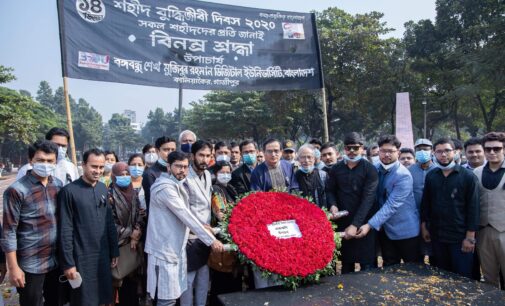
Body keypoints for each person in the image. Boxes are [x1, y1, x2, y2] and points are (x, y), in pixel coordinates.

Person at [145, 151, 223, 306]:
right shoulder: (165, 188)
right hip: (163, 251)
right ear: (168, 167)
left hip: (174, 249)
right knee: (166, 300)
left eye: (185, 167)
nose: (182, 170)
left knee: (172, 297)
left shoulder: (176, 185)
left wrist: (204, 228)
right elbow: (185, 215)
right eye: (178, 166)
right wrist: (211, 241)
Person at [1, 140, 62, 306]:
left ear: (56, 162)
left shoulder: (57, 184)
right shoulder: (16, 190)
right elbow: (8, 232)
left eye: (50, 161)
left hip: (55, 259)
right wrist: (13, 267)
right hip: (31, 262)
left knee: (55, 301)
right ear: (30, 161)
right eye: (40, 160)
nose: (45, 164)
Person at [58, 148, 120, 306]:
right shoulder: (69, 192)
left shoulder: (102, 188)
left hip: (103, 255)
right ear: (83, 165)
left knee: (104, 298)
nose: (98, 171)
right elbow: (65, 230)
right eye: (94, 166)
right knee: (83, 299)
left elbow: (109, 222)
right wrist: (68, 263)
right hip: (81, 257)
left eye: (101, 167)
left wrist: (114, 250)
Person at [356, 135, 420, 266]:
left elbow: (391, 206)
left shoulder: (403, 175)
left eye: (390, 151)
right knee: (389, 267)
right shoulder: (375, 168)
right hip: (385, 230)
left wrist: (369, 225)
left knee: (413, 268)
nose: (386, 154)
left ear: (398, 152)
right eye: (383, 150)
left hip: (406, 230)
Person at [421, 138, 479, 278]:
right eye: (439, 151)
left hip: (460, 238)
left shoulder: (468, 177)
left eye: (447, 150)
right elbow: (426, 204)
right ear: (433, 154)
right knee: (442, 276)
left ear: (455, 152)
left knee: (463, 277)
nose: (443, 154)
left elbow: (473, 208)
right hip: (438, 236)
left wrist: (470, 238)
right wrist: (424, 226)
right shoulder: (431, 176)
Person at [326, 132, 378, 273]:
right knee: (345, 266)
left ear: (362, 148)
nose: (352, 151)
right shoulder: (336, 169)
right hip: (343, 221)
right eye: (349, 148)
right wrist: (333, 204)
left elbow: (368, 199)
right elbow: (329, 190)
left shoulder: (370, 170)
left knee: (367, 268)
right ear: (344, 149)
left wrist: (355, 225)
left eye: (356, 148)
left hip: (363, 224)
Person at [181, 140, 214, 306]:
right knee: (188, 281)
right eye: (201, 155)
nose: (205, 159)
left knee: (203, 279)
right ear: (192, 156)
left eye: (208, 156)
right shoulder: (185, 177)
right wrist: (200, 227)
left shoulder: (208, 175)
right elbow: (184, 211)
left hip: (206, 236)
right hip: (190, 236)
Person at [109, 162, 145, 306]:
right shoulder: (109, 195)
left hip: (134, 245)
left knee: (132, 285)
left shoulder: (134, 192)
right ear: (113, 176)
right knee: (118, 282)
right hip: (119, 246)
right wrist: (130, 234)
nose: (124, 177)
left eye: (126, 174)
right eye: (120, 175)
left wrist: (137, 232)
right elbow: (109, 223)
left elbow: (139, 215)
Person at [474, 132, 505, 287]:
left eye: (497, 148)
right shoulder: (476, 173)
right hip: (483, 231)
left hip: (503, 230)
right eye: (488, 149)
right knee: (489, 277)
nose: (492, 152)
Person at [208, 161, 241, 304]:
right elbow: (221, 213)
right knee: (222, 281)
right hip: (222, 239)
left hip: (233, 235)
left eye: (228, 172)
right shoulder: (216, 190)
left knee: (233, 280)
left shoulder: (230, 189)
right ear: (215, 174)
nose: (226, 175)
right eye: (222, 172)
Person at [409, 138, 437, 263]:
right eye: (419, 149)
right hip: (414, 218)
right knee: (416, 255)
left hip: (434, 219)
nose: (422, 152)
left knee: (436, 256)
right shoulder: (409, 171)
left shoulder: (438, 170)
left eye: (425, 149)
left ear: (432, 151)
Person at [142, 137, 177, 210]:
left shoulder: (179, 170)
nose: (170, 153)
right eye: (166, 150)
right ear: (157, 151)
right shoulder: (150, 174)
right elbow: (152, 202)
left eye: (173, 150)